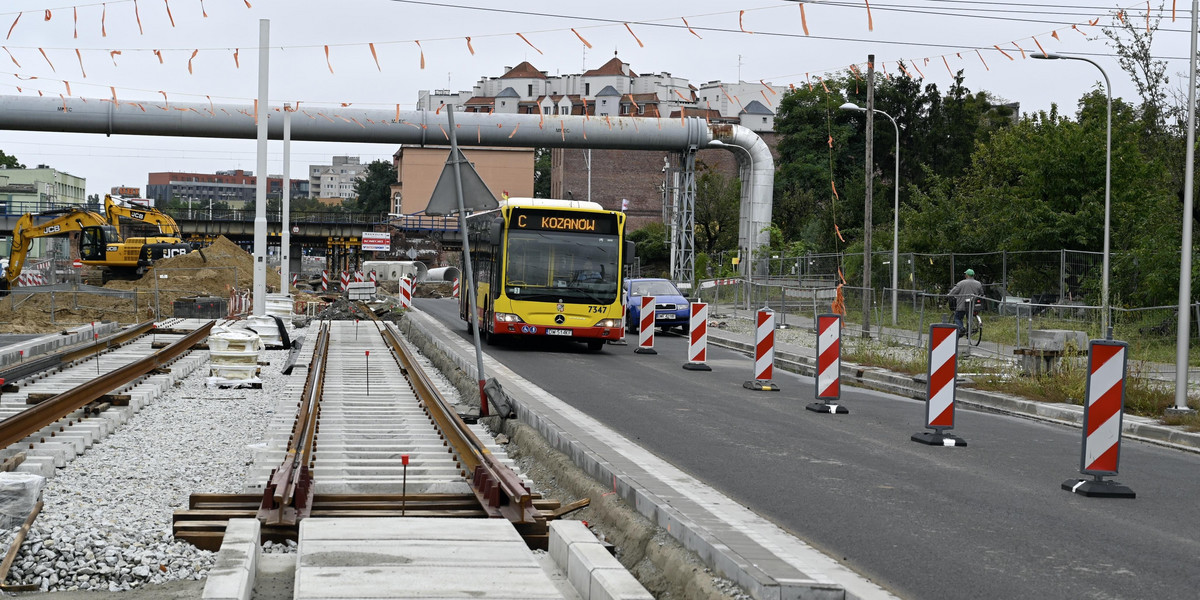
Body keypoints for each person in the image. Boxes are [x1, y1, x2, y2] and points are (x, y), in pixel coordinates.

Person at [948, 268, 983, 337]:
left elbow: (953, 292)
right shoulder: (978, 284)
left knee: (957, 318)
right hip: (973, 305)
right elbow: (981, 293)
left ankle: (961, 328)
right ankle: (969, 331)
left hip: (962, 305)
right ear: (973, 275)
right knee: (970, 317)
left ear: (966, 275)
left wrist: (949, 295)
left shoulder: (961, 283)